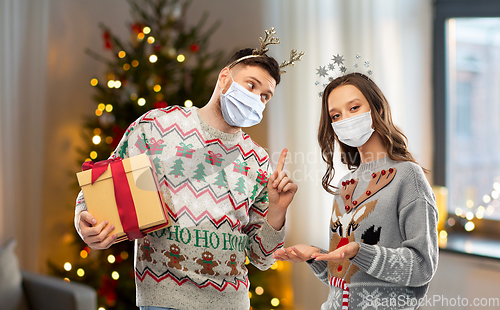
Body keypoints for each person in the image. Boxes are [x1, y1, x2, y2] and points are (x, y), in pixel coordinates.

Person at [74, 42, 301, 310]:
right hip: (161, 301)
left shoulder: (259, 161)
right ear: (225, 77)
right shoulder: (156, 126)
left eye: (265, 96)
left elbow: (262, 257)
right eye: (251, 85)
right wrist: (84, 222)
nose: (257, 98)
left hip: (230, 303)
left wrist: (277, 211)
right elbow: (101, 186)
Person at [273, 72, 439, 310]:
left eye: (354, 107)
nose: (345, 119)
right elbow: (345, 280)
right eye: (336, 115)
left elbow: (422, 266)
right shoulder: (345, 185)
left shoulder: (407, 176)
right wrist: (316, 257)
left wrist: (360, 251)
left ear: (377, 109)